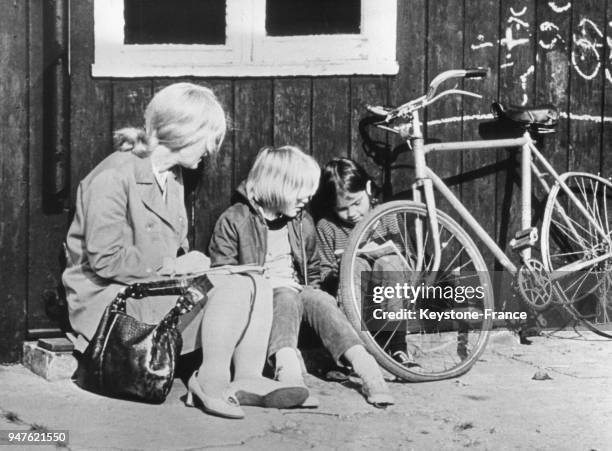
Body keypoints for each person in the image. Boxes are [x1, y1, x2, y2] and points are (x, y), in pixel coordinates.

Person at [62, 83, 307, 420]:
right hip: (111, 302)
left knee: (254, 278)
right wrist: (175, 266)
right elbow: (106, 261)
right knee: (233, 286)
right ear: (185, 133)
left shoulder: (172, 176)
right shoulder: (114, 176)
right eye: (210, 138)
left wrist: (189, 268)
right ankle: (211, 381)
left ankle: (248, 377)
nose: (211, 150)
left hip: (152, 290)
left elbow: (173, 252)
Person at [208, 146, 394, 407]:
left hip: (297, 290)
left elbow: (313, 268)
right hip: (261, 298)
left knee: (320, 299)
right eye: (300, 193)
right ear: (278, 188)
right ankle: (290, 376)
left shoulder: (301, 221)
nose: (306, 199)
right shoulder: (235, 220)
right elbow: (224, 275)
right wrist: (265, 286)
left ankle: (366, 366)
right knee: (284, 295)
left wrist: (310, 295)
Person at [315, 158, 416, 366]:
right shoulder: (327, 226)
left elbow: (407, 257)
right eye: (342, 208)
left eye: (356, 203)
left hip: (387, 289)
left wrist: (387, 255)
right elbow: (322, 271)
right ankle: (353, 351)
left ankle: (397, 347)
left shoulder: (386, 215)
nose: (351, 213)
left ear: (369, 188)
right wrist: (339, 271)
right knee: (355, 267)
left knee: (389, 264)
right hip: (352, 295)